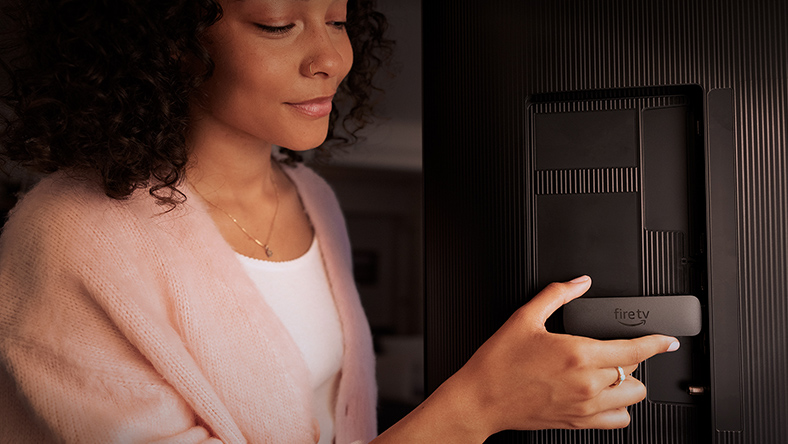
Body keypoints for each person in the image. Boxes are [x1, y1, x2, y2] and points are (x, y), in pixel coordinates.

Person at [0, 0, 680, 442]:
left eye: (337, 18)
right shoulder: (70, 233)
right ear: (170, 42)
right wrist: (476, 409)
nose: (330, 58)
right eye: (277, 24)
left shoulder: (312, 197)